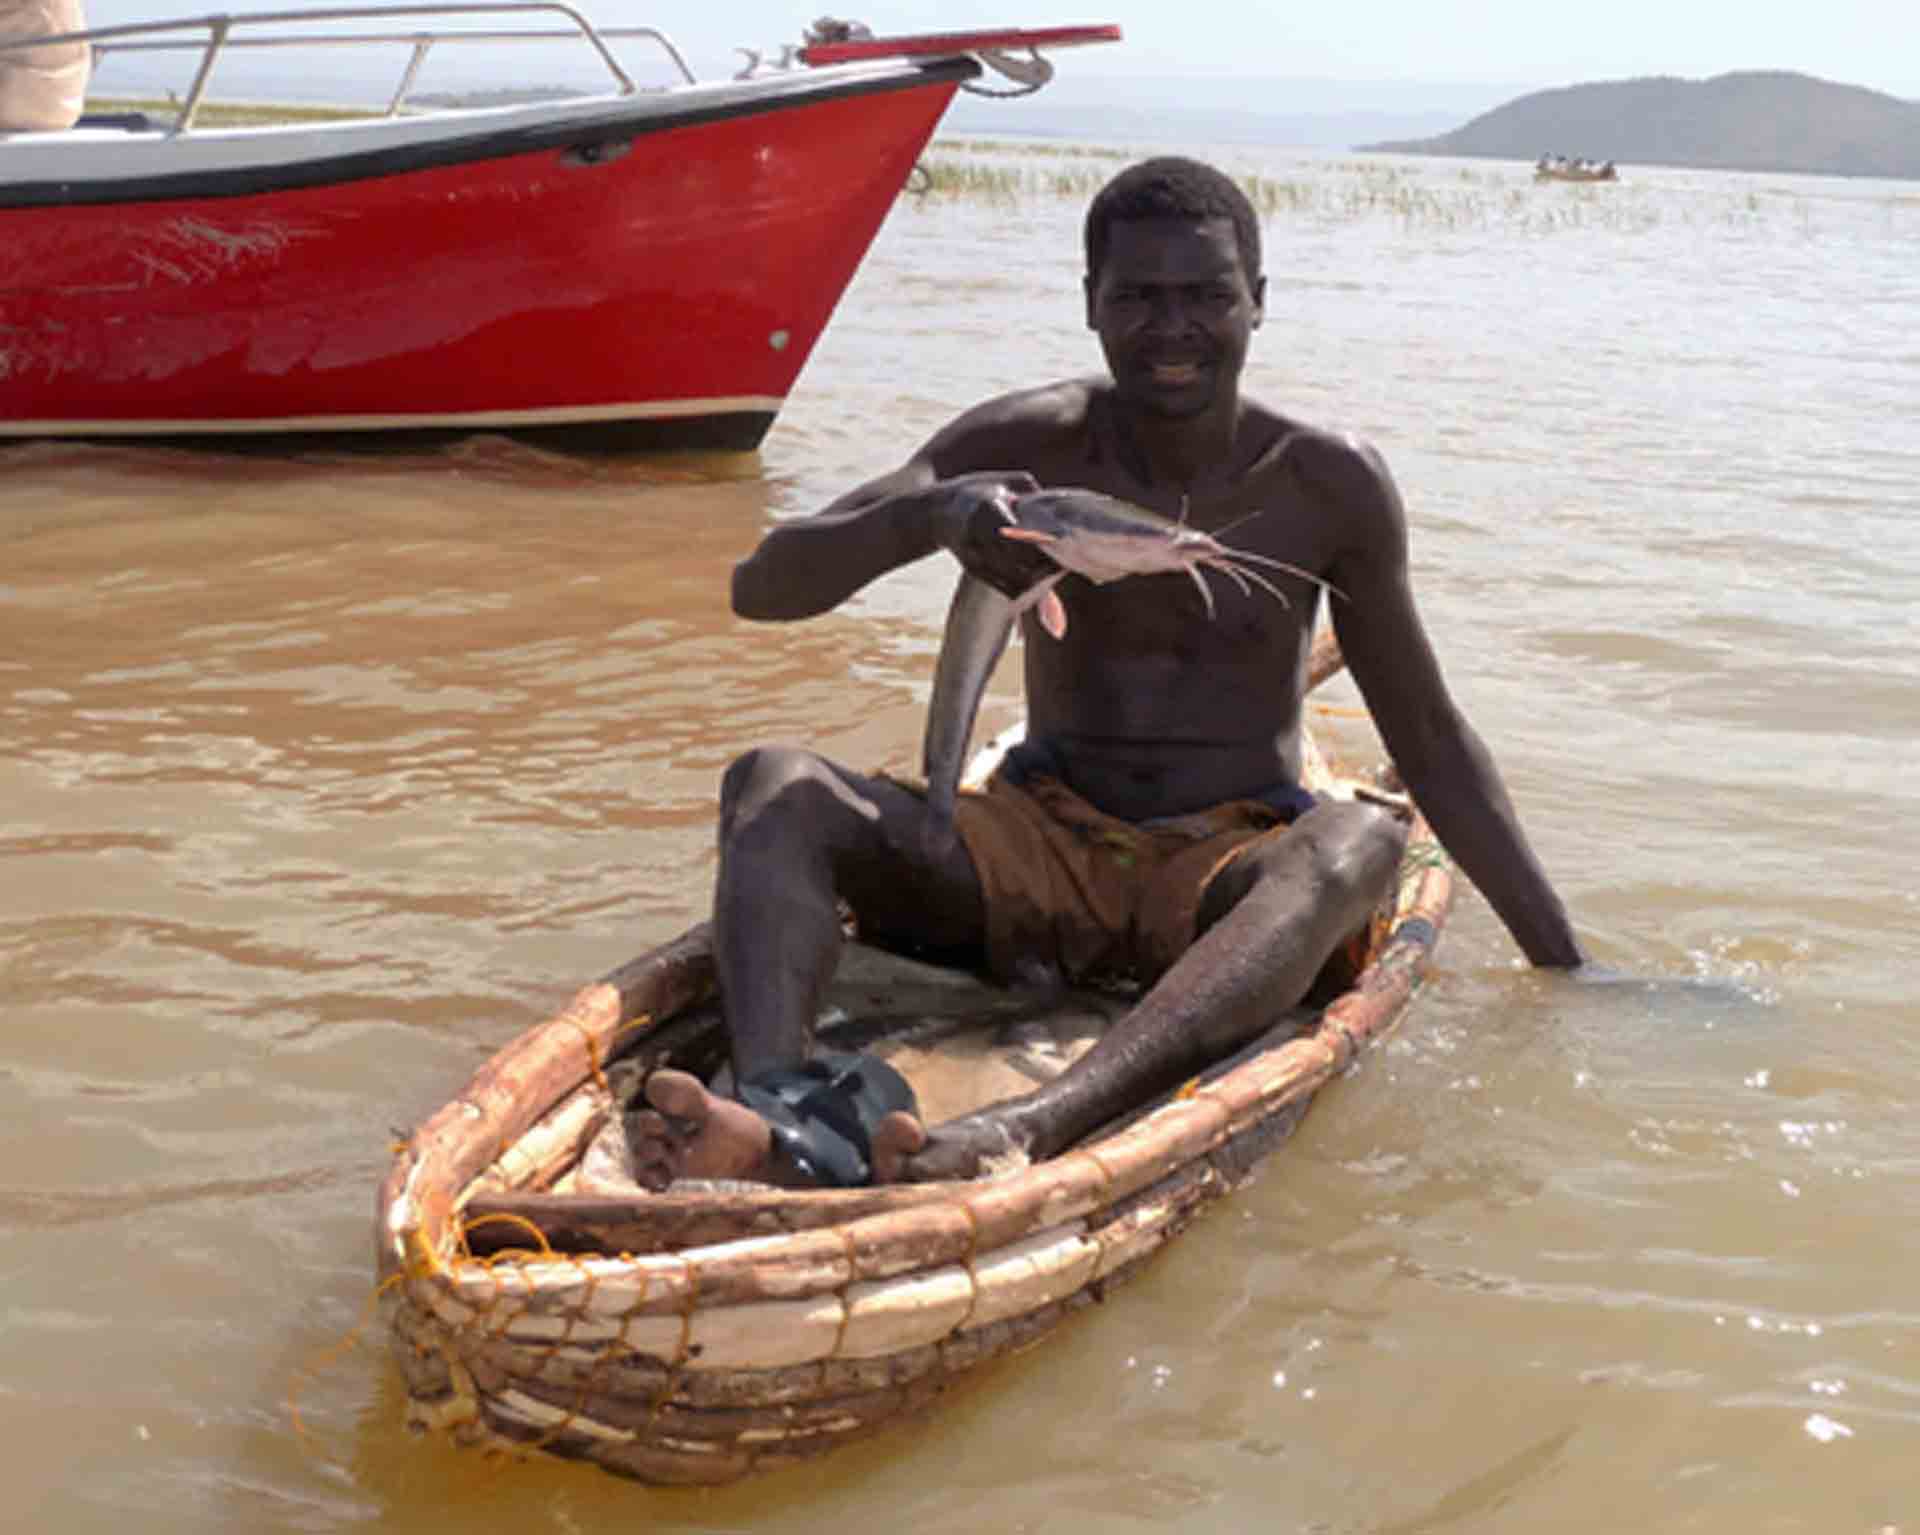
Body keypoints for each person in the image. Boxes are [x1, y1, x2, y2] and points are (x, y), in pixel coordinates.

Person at [631, 156, 1584, 1191]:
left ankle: (1030, 1123)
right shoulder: (1022, 444)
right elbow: (762, 587)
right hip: (1031, 844)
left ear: (1257, 304)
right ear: (1091, 305)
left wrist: (1569, 969)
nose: (1172, 328)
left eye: (1206, 295)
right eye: (1137, 296)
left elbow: (1430, 742)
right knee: (773, 784)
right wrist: (931, 517)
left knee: (1363, 837)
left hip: (1218, 870)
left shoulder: (1328, 483)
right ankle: (771, 1109)